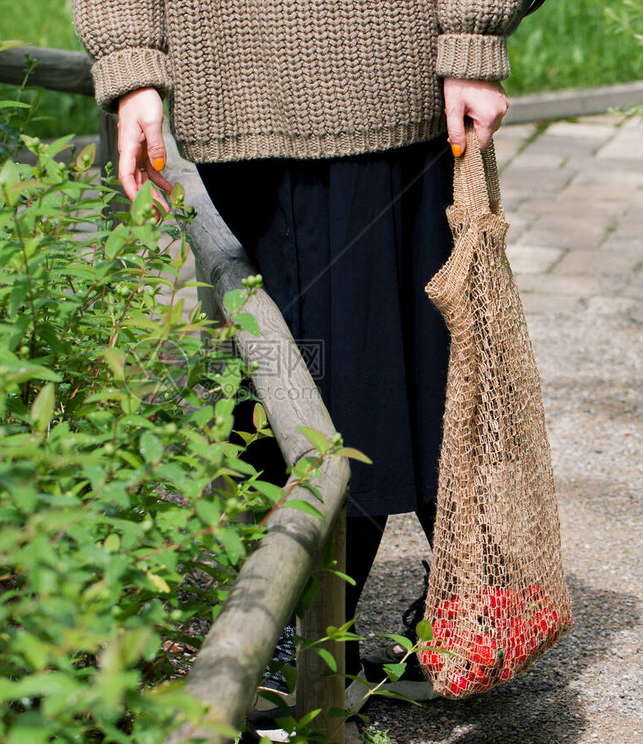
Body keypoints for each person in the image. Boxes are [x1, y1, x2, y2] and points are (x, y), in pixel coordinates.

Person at [73, 0, 542, 709]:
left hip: (392, 77)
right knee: (289, 372)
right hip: (232, 90)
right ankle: (363, 628)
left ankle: (398, 619)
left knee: (391, 367)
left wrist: (474, 33)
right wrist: (130, 62)